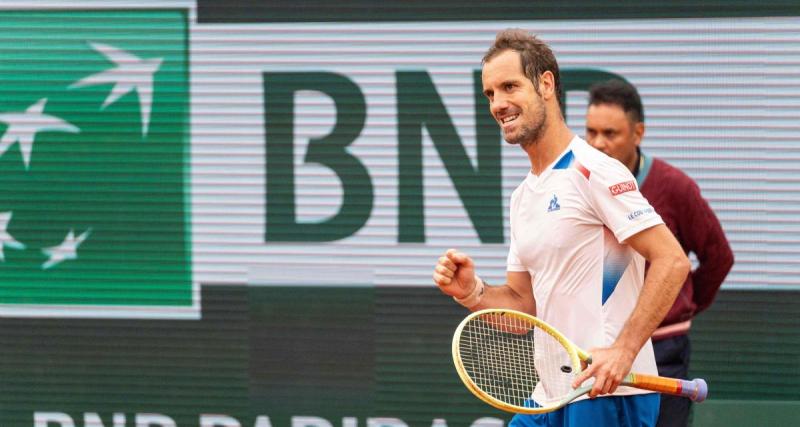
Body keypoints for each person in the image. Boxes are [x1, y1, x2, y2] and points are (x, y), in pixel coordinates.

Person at [432, 28, 691, 427]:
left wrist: (623, 350)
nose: (498, 104)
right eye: (489, 94)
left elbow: (672, 260)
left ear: (546, 84)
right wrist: (473, 293)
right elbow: (522, 309)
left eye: (509, 87)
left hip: (607, 395)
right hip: (550, 396)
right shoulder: (523, 196)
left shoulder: (595, 170)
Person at [585, 79, 734, 427]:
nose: (597, 144)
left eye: (610, 133)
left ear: (638, 133)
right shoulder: (578, 185)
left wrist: (681, 303)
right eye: (590, 132)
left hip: (663, 350)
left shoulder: (675, 187)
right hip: (597, 352)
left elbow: (719, 257)